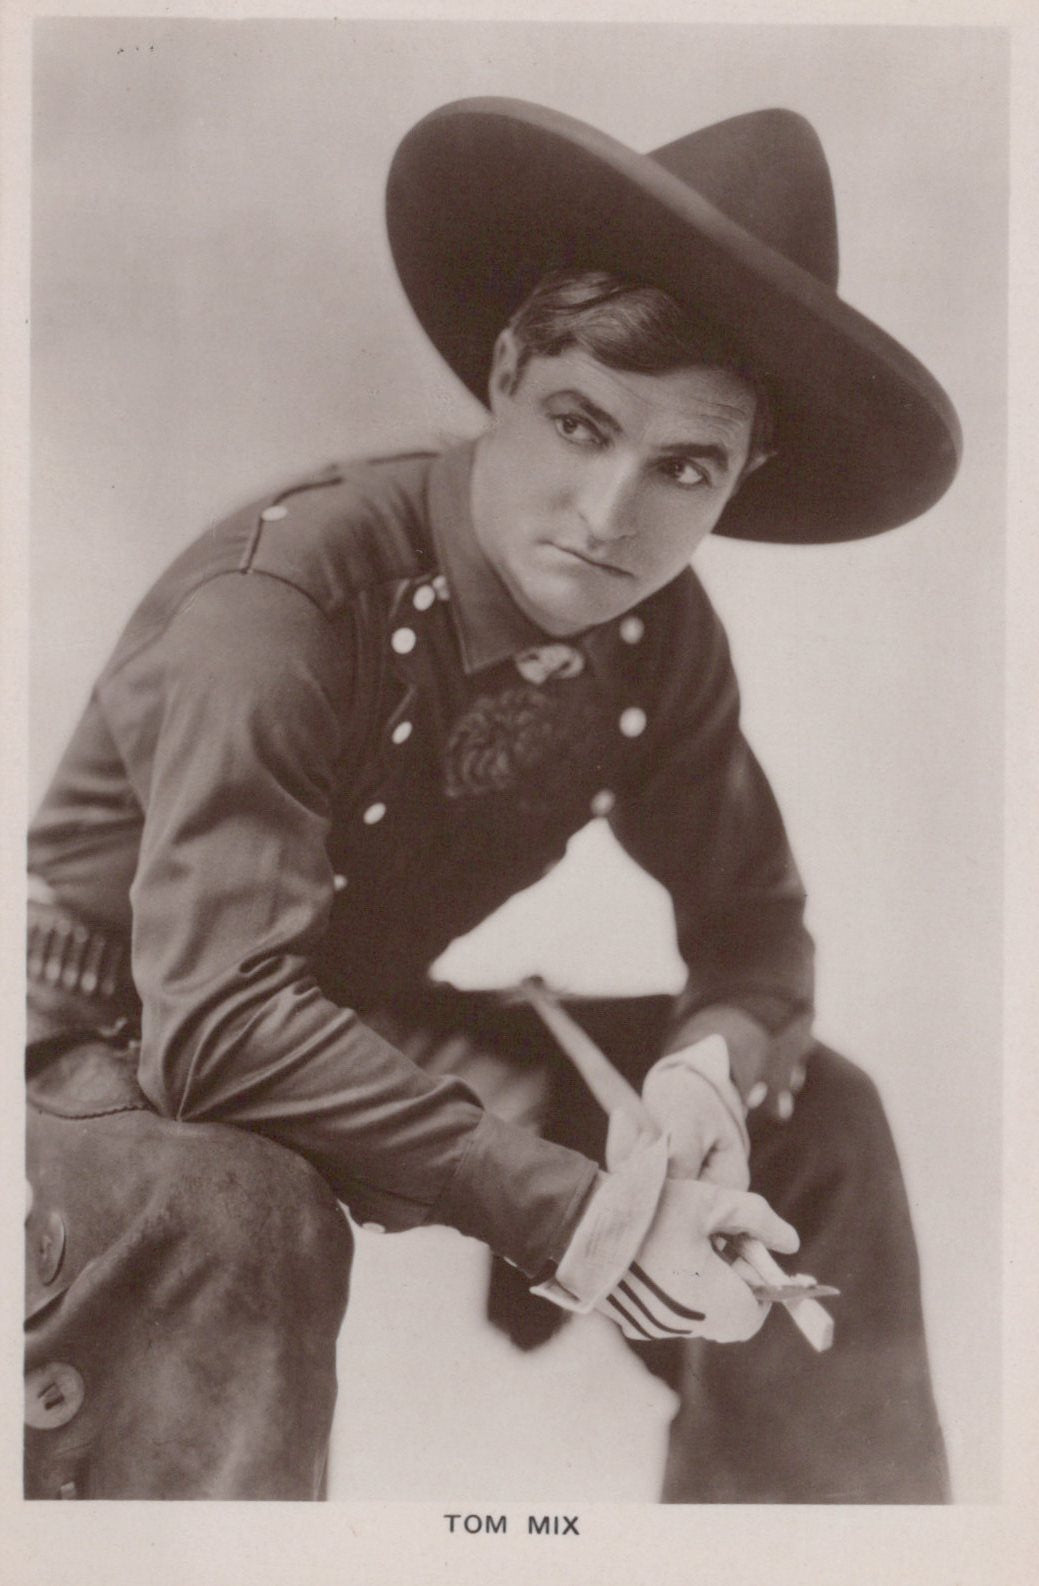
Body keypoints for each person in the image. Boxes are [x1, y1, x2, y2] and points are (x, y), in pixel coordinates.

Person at [25, 97, 959, 1501]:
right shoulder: (284, 604)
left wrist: (702, 1074)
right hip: (97, 1040)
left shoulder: (657, 637)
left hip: (350, 1017)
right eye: (582, 424)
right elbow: (211, 1026)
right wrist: (571, 1211)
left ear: (742, 476)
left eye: (684, 466)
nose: (611, 512)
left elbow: (755, 928)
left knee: (814, 1122)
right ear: (507, 374)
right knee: (245, 1208)